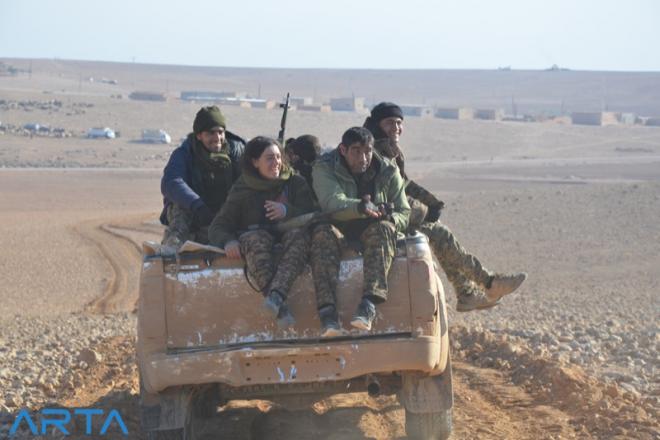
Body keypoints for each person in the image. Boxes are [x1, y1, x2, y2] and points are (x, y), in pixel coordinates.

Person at [363, 102, 527, 312]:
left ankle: (468, 292)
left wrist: (431, 202)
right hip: (379, 219)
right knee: (440, 233)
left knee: (439, 233)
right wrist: (423, 211)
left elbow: (403, 183)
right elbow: (388, 196)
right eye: (389, 123)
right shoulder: (373, 152)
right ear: (377, 125)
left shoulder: (388, 149)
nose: (396, 128)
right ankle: (486, 283)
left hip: (391, 216)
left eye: (399, 123)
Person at [310, 127, 410, 336]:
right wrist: (360, 207)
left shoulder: (387, 170)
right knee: (322, 235)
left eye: (368, 151)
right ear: (343, 150)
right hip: (338, 228)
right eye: (356, 151)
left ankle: (368, 305)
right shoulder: (325, 167)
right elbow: (332, 202)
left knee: (384, 229)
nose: (363, 158)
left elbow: (404, 212)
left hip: (373, 231)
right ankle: (327, 313)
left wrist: (390, 217)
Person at [208, 136, 317, 328]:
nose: (276, 163)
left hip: (289, 241)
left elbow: (312, 213)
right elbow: (219, 225)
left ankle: (276, 297)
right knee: (255, 238)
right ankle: (281, 310)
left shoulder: (295, 182)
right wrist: (228, 241)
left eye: (278, 157)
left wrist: (287, 211)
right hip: (257, 242)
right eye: (269, 158)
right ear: (255, 162)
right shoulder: (243, 188)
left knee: (299, 236)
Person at [160, 106, 245, 250]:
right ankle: (172, 249)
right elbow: (171, 182)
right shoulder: (185, 154)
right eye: (211, 133)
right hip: (195, 211)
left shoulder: (238, 152)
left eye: (220, 132)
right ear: (199, 135)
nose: (217, 138)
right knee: (179, 205)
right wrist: (197, 205)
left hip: (227, 211)